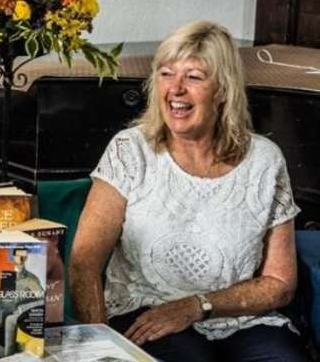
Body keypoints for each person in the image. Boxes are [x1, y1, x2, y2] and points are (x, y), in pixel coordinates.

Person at [69, 21, 308, 362]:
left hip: (240, 320)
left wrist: (198, 306)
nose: (176, 89)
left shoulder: (265, 160)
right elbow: (84, 263)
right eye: (166, 74)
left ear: (223, 90)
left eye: (193, 77)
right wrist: (102, 349)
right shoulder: (130, 150)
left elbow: (279, 282)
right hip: (145, 315)